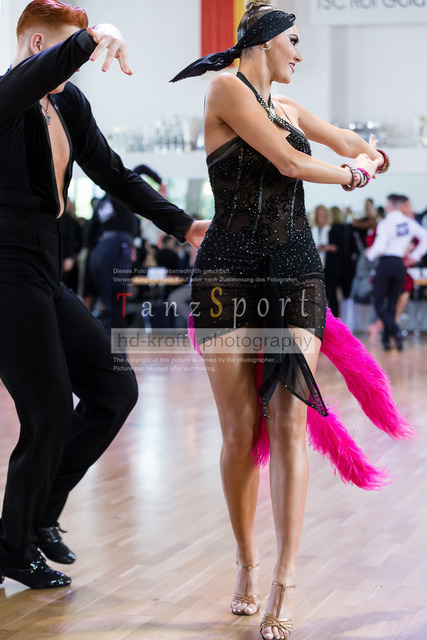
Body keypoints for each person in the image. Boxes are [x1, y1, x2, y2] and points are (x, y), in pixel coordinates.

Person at [171, 1, 396, 638]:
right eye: (293, 40)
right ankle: (247, 562)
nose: (299, 52)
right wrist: (352, 174)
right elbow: (291, 163)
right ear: (264, 41)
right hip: (227, 273)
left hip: (295, 269)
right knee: (241, 429)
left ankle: (285, 578)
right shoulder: (226, 90)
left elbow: (345, 141)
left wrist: (370, 153)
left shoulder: (291, 109)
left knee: (291, 419)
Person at [0, 0, 208, 590]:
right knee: (46, 411)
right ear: (38, 45)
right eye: (74, 51)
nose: (81, 66)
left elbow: (113, 172)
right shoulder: (7, 96)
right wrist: (97, 36)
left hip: (44, 266)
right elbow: (33, 79)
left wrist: (182, 225)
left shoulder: (69, 102)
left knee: (114, 390)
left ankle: (39, 515)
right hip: (5, 267)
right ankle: (12, 547)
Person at [366, 194, 427, 350]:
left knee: (379, 302)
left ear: (390, 206)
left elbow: (380, 246)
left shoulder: (385, 222)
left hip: (386, 264)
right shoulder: (409, 222)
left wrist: (370, 254)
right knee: (392, 303)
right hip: (400, 265)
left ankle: (395, 331)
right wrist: (414, 256)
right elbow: (425, 238)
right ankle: (387, 340)